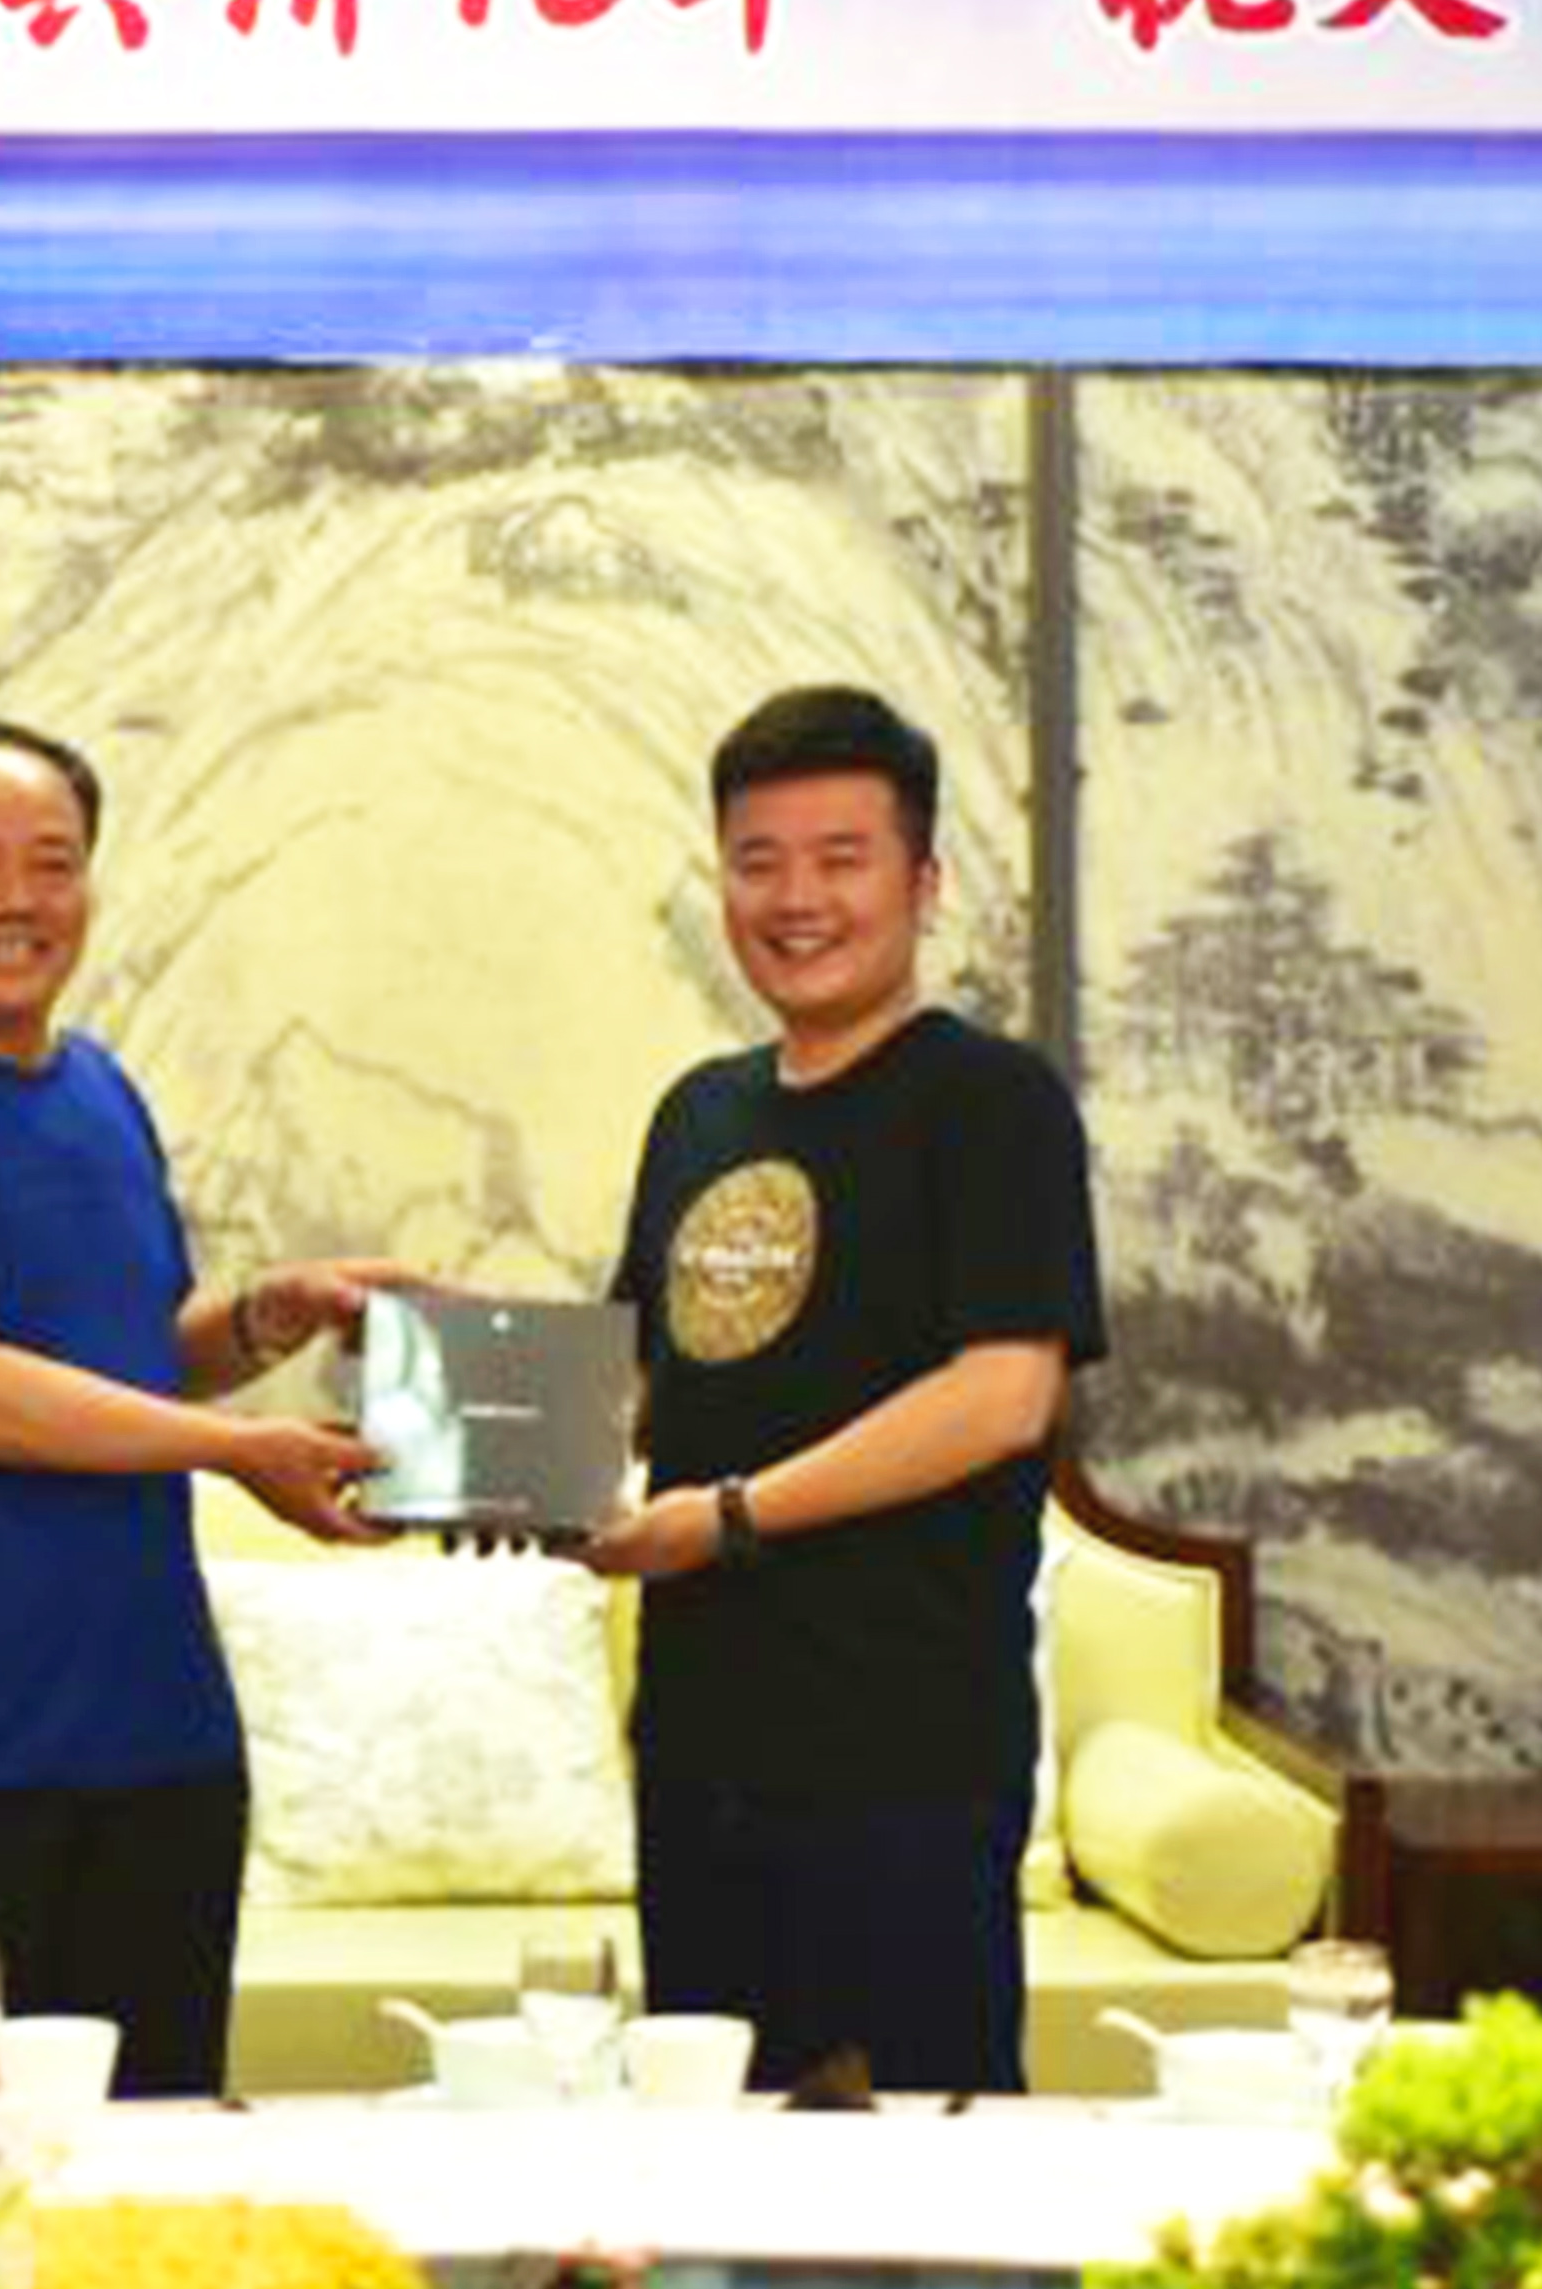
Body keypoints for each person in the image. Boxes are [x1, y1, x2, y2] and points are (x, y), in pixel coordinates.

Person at [0, 715, 390, 2098]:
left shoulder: (102, 1090)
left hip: (167, 1742)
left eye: (51, 863)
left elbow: (118, 1365)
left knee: (154, 2154)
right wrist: (239, 1450)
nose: (14, 900)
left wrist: (265, 1315)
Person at [576, 684, 1106, 2095]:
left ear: (922, 883)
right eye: (758, 861)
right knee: (706, 2149)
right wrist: (462, 1416)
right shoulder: (697, 1112)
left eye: (840, 858)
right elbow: (642, 1377)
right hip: (699, 1751)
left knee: (907, 2167)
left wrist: (727, 1517)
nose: (795, 898)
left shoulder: (991, 1104)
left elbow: (1003, 1393)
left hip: (902, 1759)